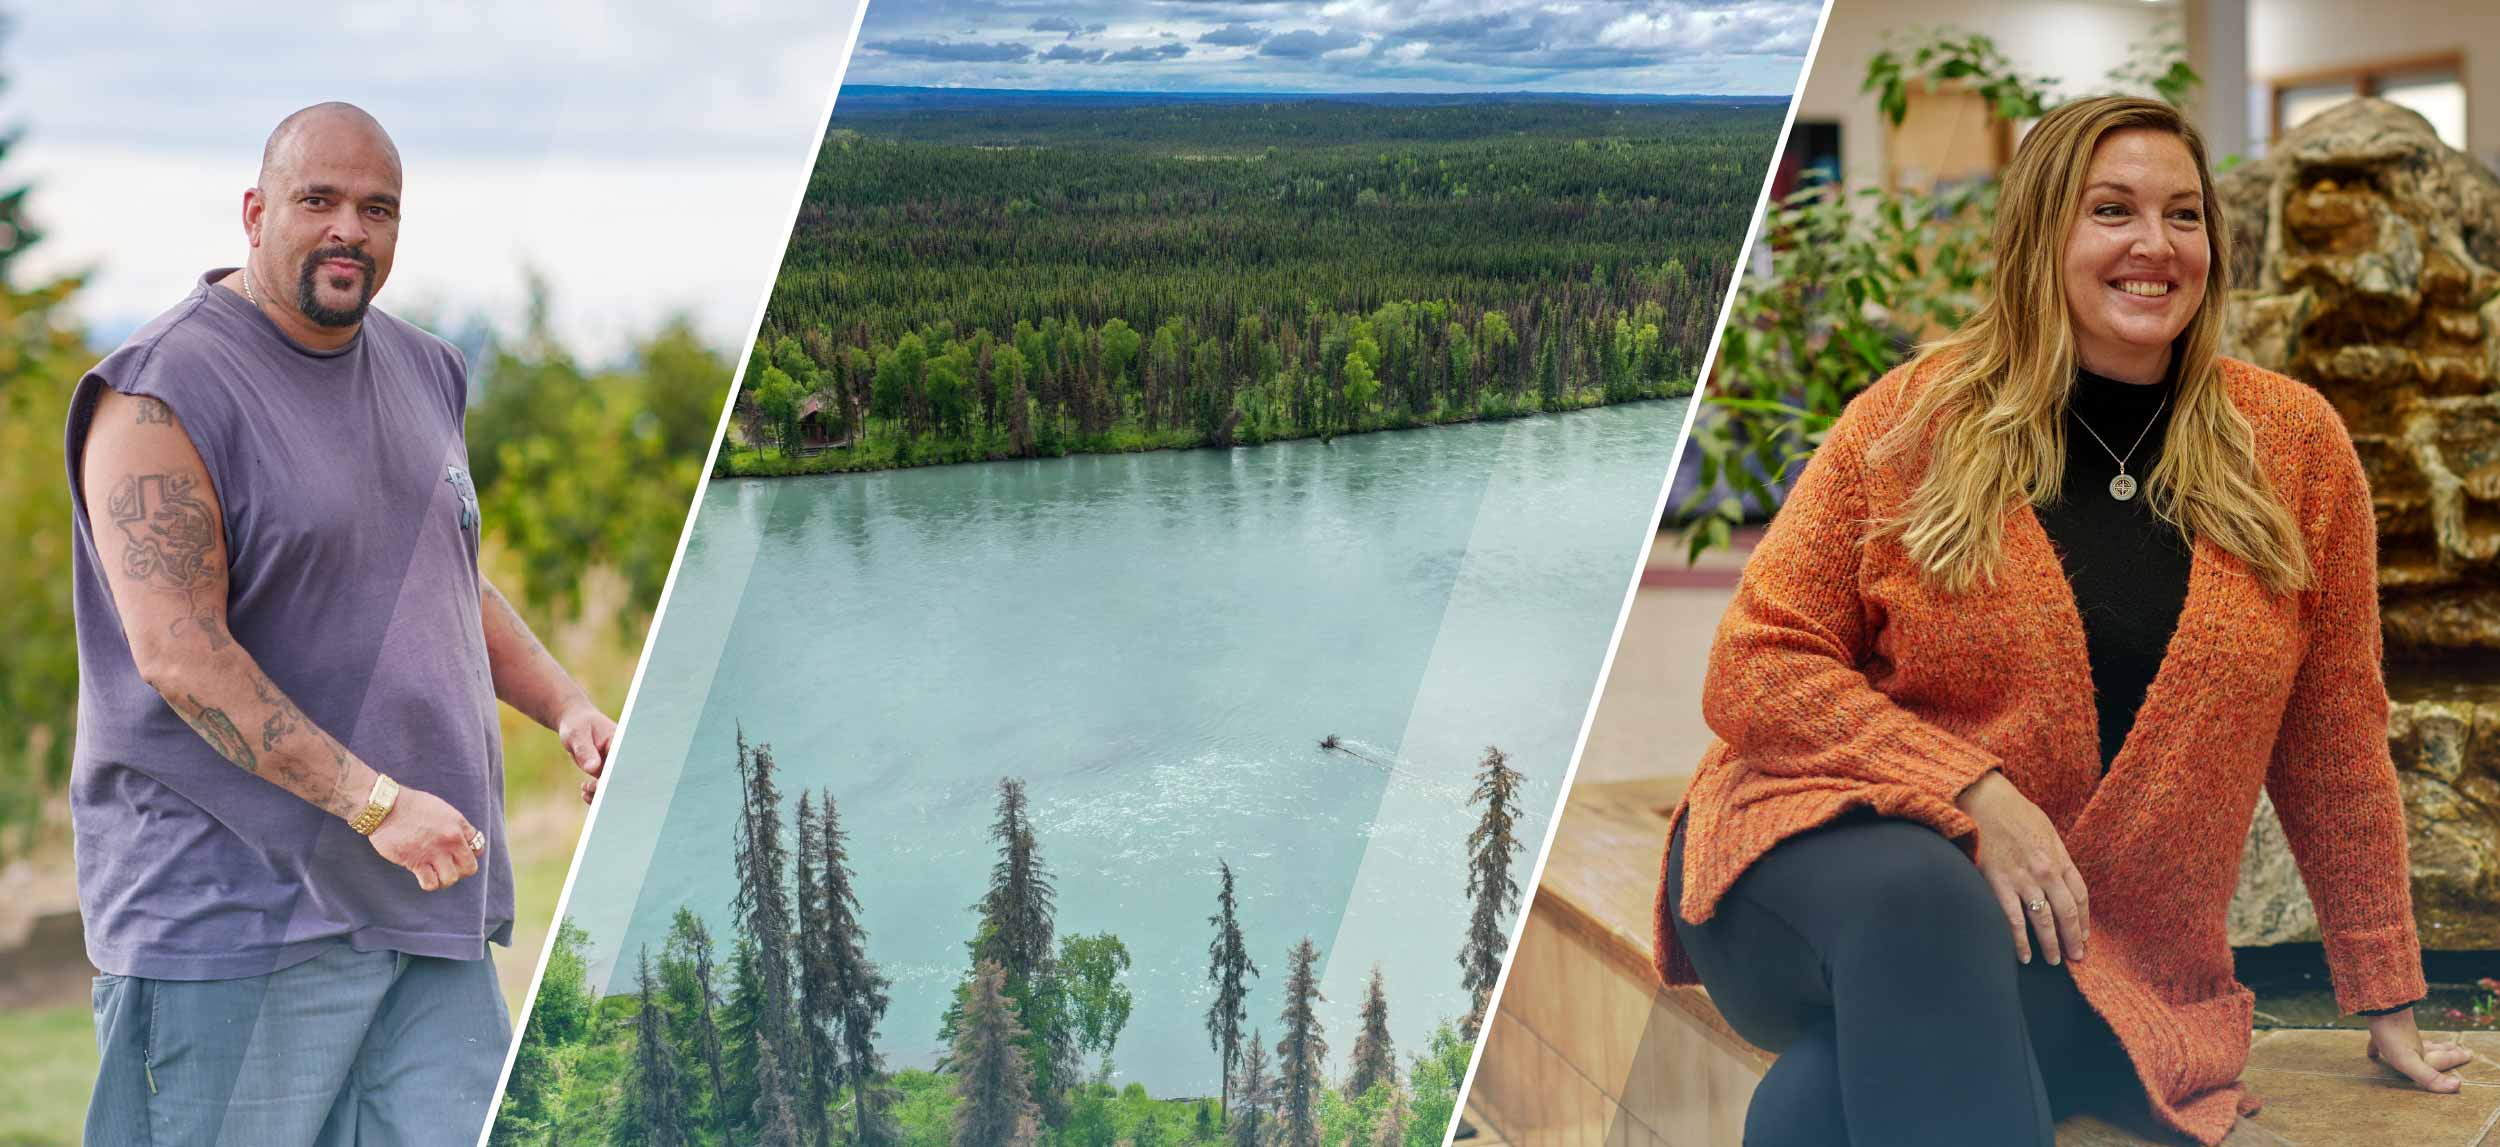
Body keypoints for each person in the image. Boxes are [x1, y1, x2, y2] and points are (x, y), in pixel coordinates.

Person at [1653, 95, 2472, 1147]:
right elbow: (1755, 665)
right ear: (2044, 233)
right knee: (1926, 895)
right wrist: (1968, 793)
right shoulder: (1910, 423)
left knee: (1815, 1103)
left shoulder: (2294, 448)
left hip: (2078, 945)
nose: (2154, 245)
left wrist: (2382, 986)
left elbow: (2335, 733)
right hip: (1809, 860)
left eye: (2185, 216)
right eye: (2112, 210)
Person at [66, 102, 617, 1145]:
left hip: (426, 908)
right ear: (254, 210)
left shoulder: (428, 370)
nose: (348, 231)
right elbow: (179, 655)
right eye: (318, 200)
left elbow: (443, 572)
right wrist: (375, 802)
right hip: (232, 921)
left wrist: (568, 702)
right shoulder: (159, 391)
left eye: (378, 209)